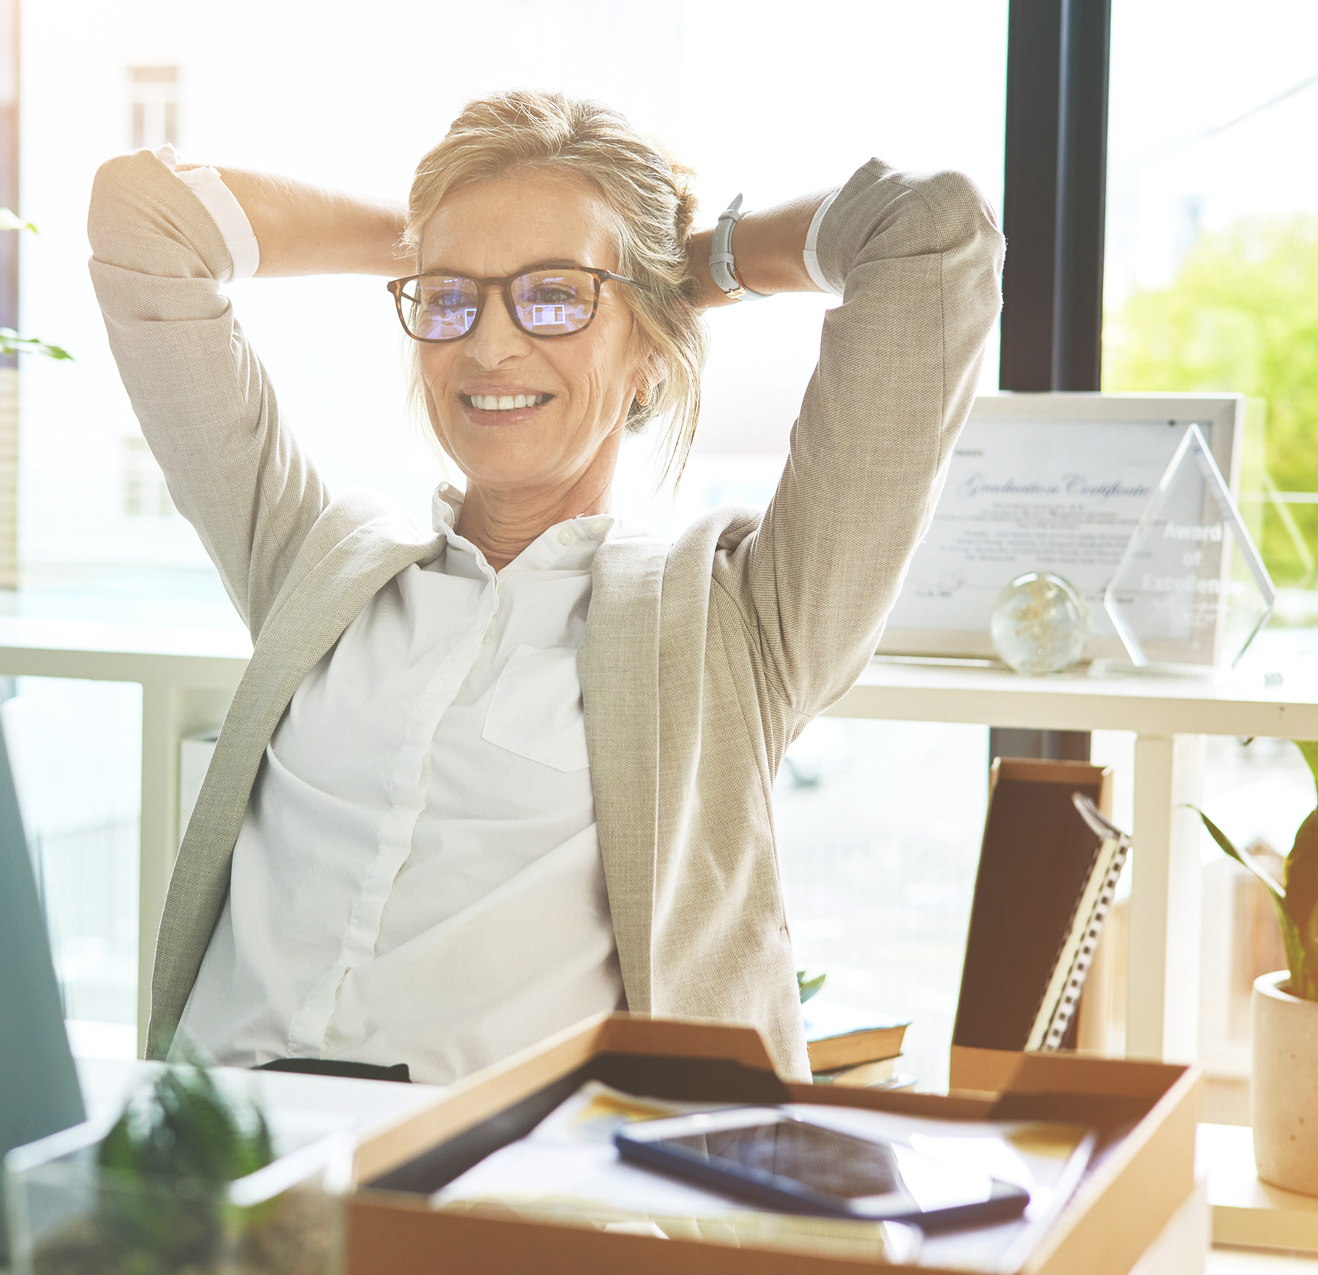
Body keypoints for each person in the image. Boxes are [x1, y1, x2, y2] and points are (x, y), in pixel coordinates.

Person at [88, 90, 1002, 1083]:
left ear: (649, 355)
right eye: (451, 301)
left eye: (555, 298)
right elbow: (145, 218)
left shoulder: (737, 626)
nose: (489, 347)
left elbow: (929, 231)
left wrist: (696, 268)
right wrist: (433, 245)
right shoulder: (318, 570)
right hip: (205, 1173)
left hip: (497, 1200)